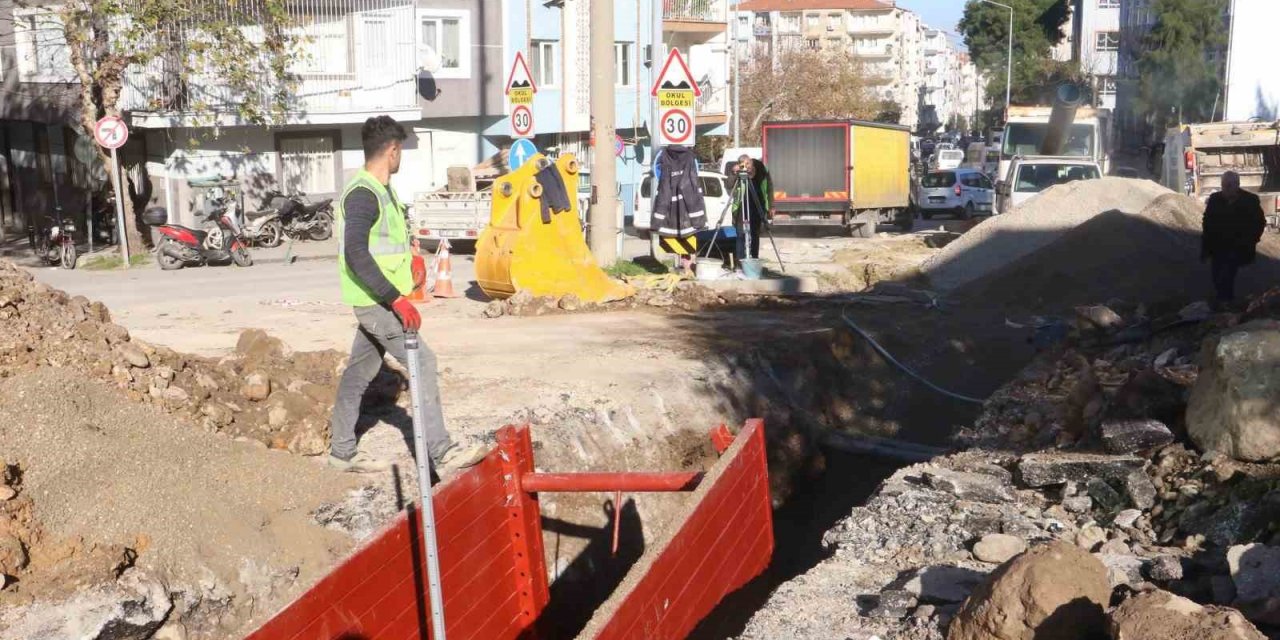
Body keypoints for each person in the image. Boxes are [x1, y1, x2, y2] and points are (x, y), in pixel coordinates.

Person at [329, 116, 486, 474]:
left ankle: (341, 452)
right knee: (423, 363)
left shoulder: (381, 190)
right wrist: (395, 299)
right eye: (402, 152)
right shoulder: (363, 194)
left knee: (358, 373)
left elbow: (385, 242)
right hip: (376, 302)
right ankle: (441, 452)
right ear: (393, 151)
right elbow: (356, 252)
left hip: (378, 297)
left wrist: (411, 262)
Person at [1201, 170, 1266, 307]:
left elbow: (1259, 223)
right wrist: (1205, 249)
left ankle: (1228, 304)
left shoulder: (1250, 200)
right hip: (1218, 247)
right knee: (1217, 277)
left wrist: (1251, 240)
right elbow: (1207, 224)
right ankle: (1223, 303)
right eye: (1224, 185)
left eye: (1230, 185)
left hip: (1239, 247)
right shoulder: (1215, 200)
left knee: (1228, 274)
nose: (1227, 188)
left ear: (1237, 185)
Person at [732, 155, 772, 260]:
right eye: (743, 165)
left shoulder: (761, 170)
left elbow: (769, 188)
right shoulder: (740, 174)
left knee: (755, 234)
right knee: (740, 235)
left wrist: (771, 206)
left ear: (751, 162)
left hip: (757, 207)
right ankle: (740, 262)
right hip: (741, 209)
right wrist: (735, 174)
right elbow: (729, 185)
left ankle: (754, 259)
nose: (746, 167)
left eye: (748, 164)